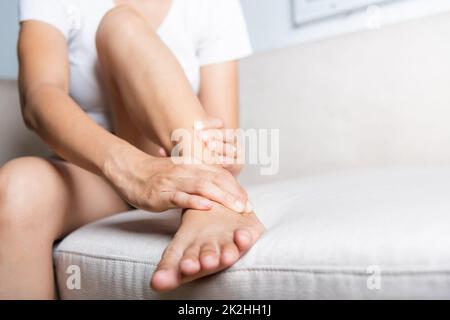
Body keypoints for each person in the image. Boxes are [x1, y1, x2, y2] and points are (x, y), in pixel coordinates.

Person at [0, 0, 264, 299]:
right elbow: (39, 96)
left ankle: (213, 202)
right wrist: (135, 171)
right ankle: (209, 192)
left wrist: (207, 163)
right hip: (97, 173)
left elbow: (223, 135)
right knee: (16, 188)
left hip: (179, 165)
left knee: (121, 25)